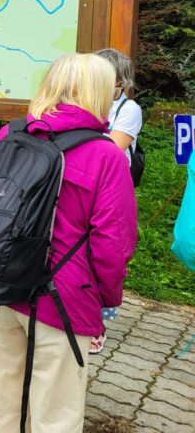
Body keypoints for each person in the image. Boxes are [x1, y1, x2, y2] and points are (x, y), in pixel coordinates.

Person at [0, 53, 137, 433]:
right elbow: (111, 245)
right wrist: (105, 302)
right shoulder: (105, 155)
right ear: (99, 92)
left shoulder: (10, 134)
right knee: (57, 417)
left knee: (3, 407)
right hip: (62, 301)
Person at [89, 47, 143, 354]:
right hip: (84, 189)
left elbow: (111, 148)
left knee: (104, 254)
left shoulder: (129, 110)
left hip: (109, 194)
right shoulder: (88, 103)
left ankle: (98, 324)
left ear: (118, 80)